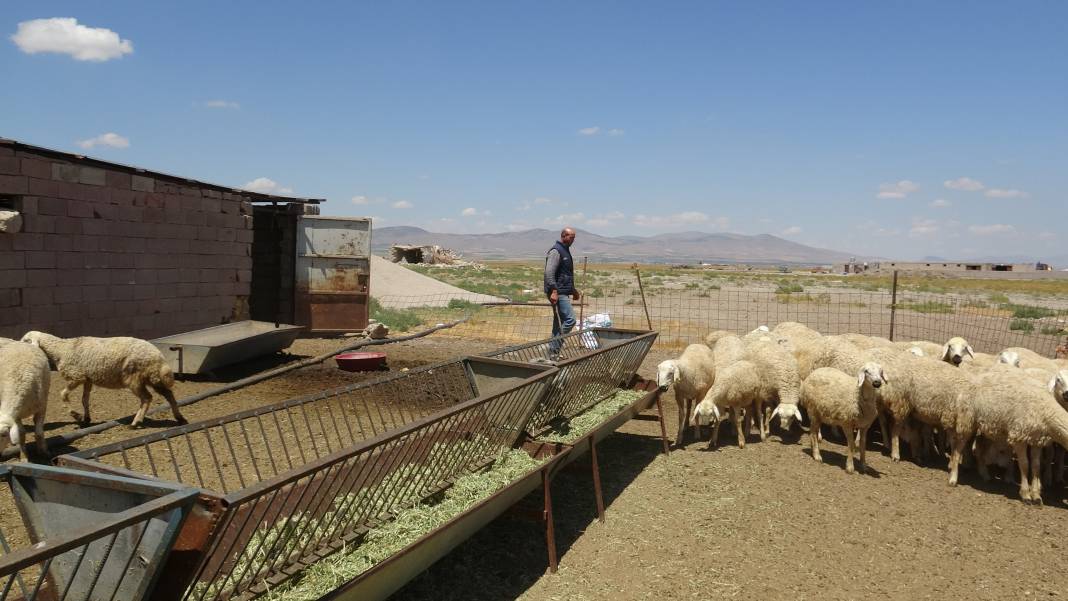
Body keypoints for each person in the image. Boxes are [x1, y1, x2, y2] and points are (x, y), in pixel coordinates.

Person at [544, 227, 580, 360]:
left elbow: (566, 275)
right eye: (571, 237)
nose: (573, 240)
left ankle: (553, 354)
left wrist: (574, 291)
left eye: (574, 237)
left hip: (563, 291)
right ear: (563, 236)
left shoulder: (565, 251)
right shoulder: (556, 251)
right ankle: (554, 348)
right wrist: (554, 291)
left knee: (558, 323)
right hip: (557, 292)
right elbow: (549, 273)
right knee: (571, 320)